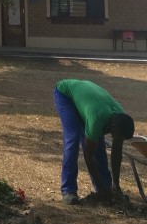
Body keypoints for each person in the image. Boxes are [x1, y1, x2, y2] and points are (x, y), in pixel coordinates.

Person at [54, 77, 135, 205]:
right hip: (66, 95)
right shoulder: (97, 118)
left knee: (98, 145)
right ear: (113, 127)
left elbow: (116, 152)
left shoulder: (119, 116)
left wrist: (116, 186)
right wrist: (100, 189)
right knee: (73, 139)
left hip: (87, 100)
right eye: (118, 138)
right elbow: (88, 154)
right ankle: (68, 190)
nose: (117, 140)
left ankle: (107, 187)